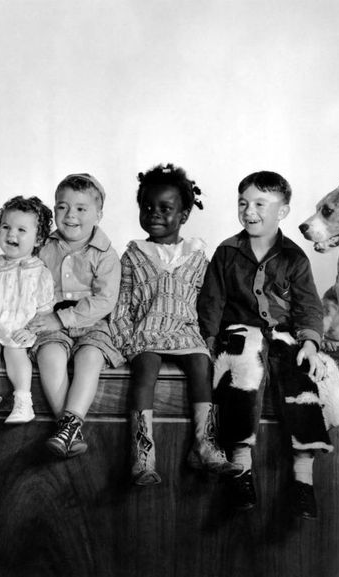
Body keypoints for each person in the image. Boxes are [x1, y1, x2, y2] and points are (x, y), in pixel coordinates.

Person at [198, 170, 331, 519]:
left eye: (259, 203)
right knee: (242, 376)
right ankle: (240, 470)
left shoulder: (294, 257)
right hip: (240, 332)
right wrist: (211, 341)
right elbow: (211, 301)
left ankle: (304, 480)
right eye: (243, 203)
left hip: (283, 334)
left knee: (301, 377)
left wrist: (311, 343)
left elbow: (308, 306)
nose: (249, 210)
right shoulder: (226, 252)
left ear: (282, 211)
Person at [110, 164, 241, 485]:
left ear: (183, 215)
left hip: (186, 332)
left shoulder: (196, 256)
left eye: (165, 208)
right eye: (148, 207)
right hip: (147, 331)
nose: (154, 213)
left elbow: (208, 300)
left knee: (201, 365)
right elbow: (121, 302)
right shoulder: (132, 255)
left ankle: (205, 445)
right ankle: (143, 456)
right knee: (144, 370)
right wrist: (126, 340)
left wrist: (209, 338)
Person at [27, 174, 123, 458]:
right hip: (49, 321)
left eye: (81, 209)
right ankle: (68, 428)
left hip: (91, 323)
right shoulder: (43, 245)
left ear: (99, 215)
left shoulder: (106, 254)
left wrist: (63, 318)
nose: (70, 215)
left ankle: (69, 423)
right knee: (49, 356)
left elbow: (105, 299)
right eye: (62, 207)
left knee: (90, 357)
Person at [0, 196, 54, 425]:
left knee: (15, 352)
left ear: (38, 238)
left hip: (19, 327)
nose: (11, 235)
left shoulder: (40, 272)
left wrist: (31, 331)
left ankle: (23, 401)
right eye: (6, 227)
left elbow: (44, 310)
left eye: (21, 230)